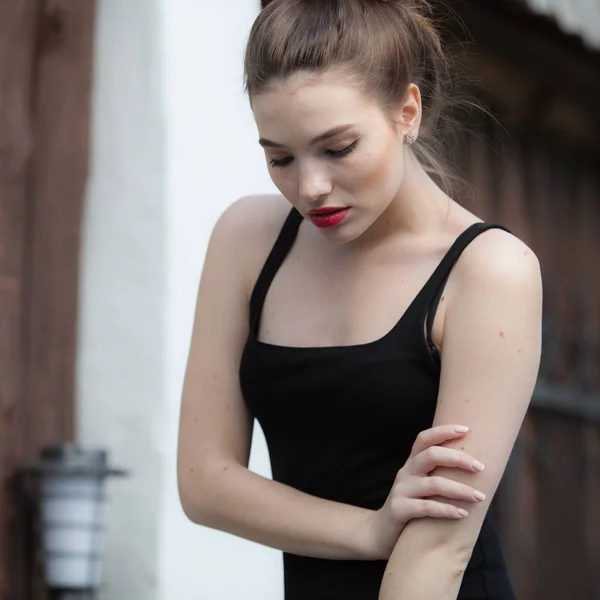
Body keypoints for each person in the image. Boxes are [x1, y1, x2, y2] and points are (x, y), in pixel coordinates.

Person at [177, 1, 542, 598]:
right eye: (281, 158)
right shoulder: (247, 240)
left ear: (407, 111)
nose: (310, 187)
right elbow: (204, 481)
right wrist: (368, 531)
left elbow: (440, 550)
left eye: (339, 148)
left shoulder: (490, 271)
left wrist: (385, 539)